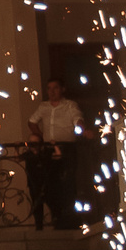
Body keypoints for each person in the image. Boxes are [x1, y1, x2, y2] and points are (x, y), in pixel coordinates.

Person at [24, 78, 85, 232]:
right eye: (49, 88)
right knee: (51, 184)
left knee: (67, 182)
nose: (51, 92)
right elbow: (32, 121)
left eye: (55, 88)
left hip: (66, 147)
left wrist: (83, 129)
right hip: (50, 149)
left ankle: (69, 219)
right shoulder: (43, 107)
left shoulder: (70, 105)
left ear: (62, 89)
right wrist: (40, 136)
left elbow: (78, 119)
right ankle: (56, 219)